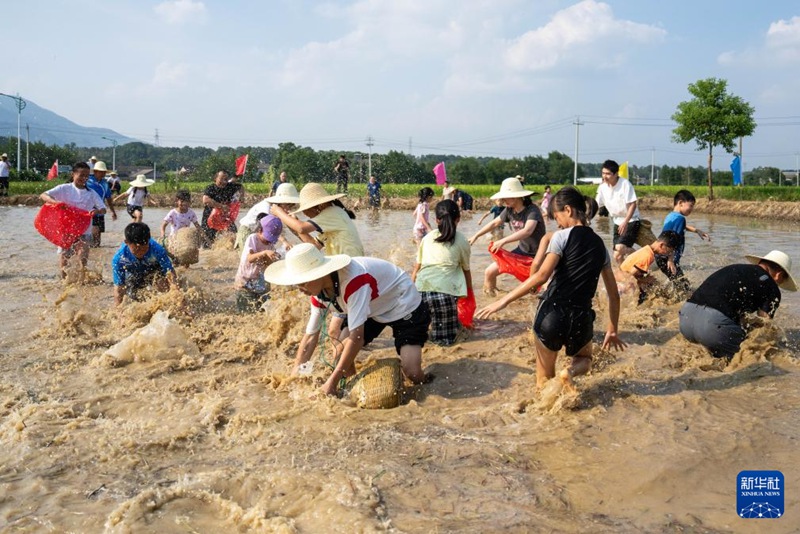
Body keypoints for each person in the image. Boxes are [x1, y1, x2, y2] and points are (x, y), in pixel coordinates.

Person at [476, 187, 626, 391]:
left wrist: (503, 301)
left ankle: (545, 417)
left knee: (543, 381)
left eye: (558, 216)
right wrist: (612, 329)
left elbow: (541, 275)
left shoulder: (561, 237)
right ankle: (570, 372)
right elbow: (613, 295)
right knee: (584, 359)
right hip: (581, 317)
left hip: (551, 314)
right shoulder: (600, 245)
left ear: (568, 210)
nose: (558, 222)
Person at [263, 243, 431, 397]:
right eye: (296, 284)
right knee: (339, 351)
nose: (300, 289)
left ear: (320, 273)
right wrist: (296, 373)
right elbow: (310, 336)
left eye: (303, 283)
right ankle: (352, 387)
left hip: (402, 304)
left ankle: (430, 384)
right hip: (372, 307)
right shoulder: (317, 291)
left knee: (413, 374)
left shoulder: (354, 281)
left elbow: (357, 338)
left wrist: (331, 382)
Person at [271, 182, 365, 340]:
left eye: (305, 210)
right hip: (343, 271)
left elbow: (302, 228)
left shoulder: (332, 212)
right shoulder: (330, 218)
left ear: (318, 206)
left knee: (337, 332)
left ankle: (345, 355)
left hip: (351, 271)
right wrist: (294, 226)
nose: (306, 215)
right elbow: (313, 246)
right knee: (339, 331)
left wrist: (279, 212)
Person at [679, 250, 797, 361]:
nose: (779, 284)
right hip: (712, 329)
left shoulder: (735, 268)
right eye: (782, 280)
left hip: (685, 319)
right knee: (753, 355)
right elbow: (764, 323)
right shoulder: (772, 287)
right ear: (779, 275)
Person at [468, 177, 544, 296]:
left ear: (516, 196)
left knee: (537, 288)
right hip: (522, 251)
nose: (503, 200)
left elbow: (528, 231)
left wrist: (503, 241)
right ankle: (491, 299)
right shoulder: (509, 210)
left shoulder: (532, 210)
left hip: (540, 255)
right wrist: (476, 235)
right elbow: (494, 223)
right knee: (489, 272)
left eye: (505, 197)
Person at [410, 200, 472, 346]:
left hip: (419, 293)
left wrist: (410, 291)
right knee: (445, 343)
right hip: (444, 295)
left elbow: (416, 267)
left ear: (436, 219)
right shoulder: (462, 240)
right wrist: (469, 293)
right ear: (458, 219)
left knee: (421, 337)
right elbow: (466, 270)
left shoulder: (427, 238)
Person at [39, 162, 107, 278]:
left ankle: (81, 281)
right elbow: (43, 195)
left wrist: (97, 211)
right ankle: (64, 280)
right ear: (73, 174)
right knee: (65, 257)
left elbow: (103, 209)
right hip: (67, 229)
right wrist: (56, 202)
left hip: (85, 230)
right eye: (81, 175)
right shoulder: (64, 188)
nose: (84, 178)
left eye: (86, 175)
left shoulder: (91, 193)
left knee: (83, 257)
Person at [654, 189, 710, 294]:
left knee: (677, 282)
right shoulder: (680, 219)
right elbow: (671, 241)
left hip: (662, 256)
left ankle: (662, 295)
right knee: (685, 288)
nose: (692, 209)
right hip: (667, 258)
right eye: (691, 205)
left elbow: (681, 228)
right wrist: (670, 260)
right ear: (680, 203)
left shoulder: (671, 216)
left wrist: (696, 230)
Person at [112, 222, 177, 305]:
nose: (141, 253)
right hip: (134, 273)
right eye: (137, 249)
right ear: (126, 242)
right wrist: (118, 310)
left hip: (154, 269)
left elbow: (170, 274)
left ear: (148, 240)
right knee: (133, 297)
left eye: (144, 249)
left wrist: (176, 295)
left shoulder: (157, 250)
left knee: (162, 284)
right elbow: (119, 288)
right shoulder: (119, 259)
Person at [595, 159, 642, 264]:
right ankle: (625, 275)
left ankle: (641, 256)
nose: (604, 176)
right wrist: (586, 218)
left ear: (616, 174)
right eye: (603, 173)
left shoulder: (625, 184)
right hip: (616, 222)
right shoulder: (602, 188)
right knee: (616, 255)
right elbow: (596, 204)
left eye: (608, 174)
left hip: (631, 221)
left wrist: (625, 222)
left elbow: (633, 204)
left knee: (620, 248)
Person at [235, 214, 282, 311]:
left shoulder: (270, 245)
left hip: (259, 284)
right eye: (267, 239)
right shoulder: (253, 238)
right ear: (259, 230)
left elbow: (268, 265)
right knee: (246, 312)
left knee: (262, 311)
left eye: (271, 240)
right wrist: (264, 253)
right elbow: (250, 258)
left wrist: (274, 260)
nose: (269, 242)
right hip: (244, 283)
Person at [619, 230, 681, 304]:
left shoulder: (647, 249)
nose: (668, 253)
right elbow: (630, 275)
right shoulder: (648, 256)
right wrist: (646, 280)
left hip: (620, 278)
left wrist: (670, 259)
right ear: (661, 245)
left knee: (655, 285)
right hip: (622, 285)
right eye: (668, 251)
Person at [235, 183, 298, 251]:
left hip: (259, 234)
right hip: (247, 232)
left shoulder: (276, 210)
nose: (288, 209)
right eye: (288, 205)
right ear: (281, 202)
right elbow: (268, 228)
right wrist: (284, 241)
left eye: (292, 206)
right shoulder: (266, 207)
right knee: (249, 259)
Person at [201, 170, 243, 245]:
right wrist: (221, 206)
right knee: (208, 243)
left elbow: (240, 187)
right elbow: (205, 200)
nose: (224, 182)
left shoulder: (229, 187)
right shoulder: (210, 188)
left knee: (234, 239)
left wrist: (241, 197)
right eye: (221, 179)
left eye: (226, 179)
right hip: (210, 219)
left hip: (225, 219)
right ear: (215, 178)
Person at [85, 160, 117, 247]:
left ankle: (96, 249)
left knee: (99, 233)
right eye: (101, 172)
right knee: (94, 230)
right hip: (88, 211)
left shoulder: (105, 183)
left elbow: (109, 198)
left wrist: (113, 211)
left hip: (100, 211)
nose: (103, 174)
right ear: (95, 171)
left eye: (104, 172)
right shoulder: (87, 181)